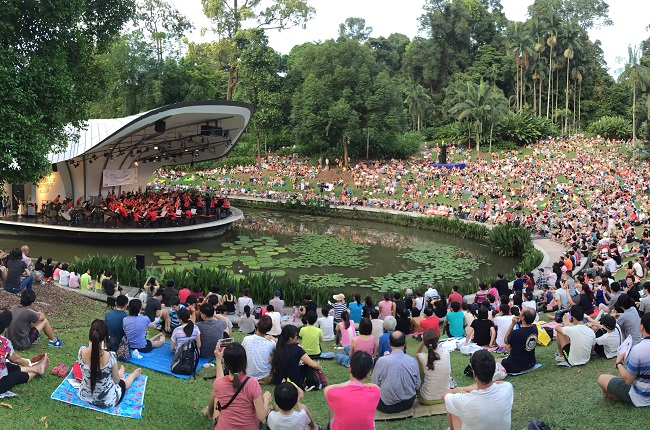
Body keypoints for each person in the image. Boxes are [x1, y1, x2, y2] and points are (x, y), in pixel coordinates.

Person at [77, 320, 142, 409]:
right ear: (105, 339)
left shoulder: (81, 351)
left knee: (114, 377)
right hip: (106, 400)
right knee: (123, 382)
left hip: (84, 396)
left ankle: (121, 372)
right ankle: (134, 375)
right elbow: (116, 381)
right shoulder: (110, 357)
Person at [443, 349, 514, 430]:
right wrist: (474, 388)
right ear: (494, 370)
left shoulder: (465, 401)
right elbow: (500, 383)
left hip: (466, 401)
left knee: (451, 407)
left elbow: (444, 396)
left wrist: (460, 390)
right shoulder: (507, 388)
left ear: (474, 374)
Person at [209, 342, 272, 430]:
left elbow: (220, 380)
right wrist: (266, 400)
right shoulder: (252, 383)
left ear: (226, 363)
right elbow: (262, 417)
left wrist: (218, 359)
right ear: (245, 362)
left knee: (217, 397)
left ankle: (209, 413)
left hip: (223, 427)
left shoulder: (218, 384)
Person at [597, 313, 650, 407]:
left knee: (602, 378)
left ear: (642, 327)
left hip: (641, 397)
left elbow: (628, 380)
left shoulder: (638, 350)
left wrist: (618, 363)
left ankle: (616, 395)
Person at [324, 351, 380, 430]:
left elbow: (327, 388)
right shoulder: (375, 392)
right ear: (368, 374)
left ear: (349, 368)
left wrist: (346, 384)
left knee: (332, 405)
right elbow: (374, 385)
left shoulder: (335, 393)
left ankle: (330, 426)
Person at [0, 309, 50, 396]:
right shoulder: (3, 343)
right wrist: (27, 362)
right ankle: (37, 370)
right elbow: (16, 359)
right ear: (5, 327)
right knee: (16, 376)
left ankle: (36, 368)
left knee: (9, 367)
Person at [372, 331, 420, 413]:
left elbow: (374, 385)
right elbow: (417, 385)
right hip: (409, 402)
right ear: (405, 344)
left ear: (389, 343)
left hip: (387, 406)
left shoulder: (381, 361)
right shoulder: (412, 361)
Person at [416, 328, 451, 405]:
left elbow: (417, 353)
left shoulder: (423, 357)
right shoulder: (446, 353)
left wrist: (423, 341)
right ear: (438, 340)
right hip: (445, 396)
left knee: (420, 363)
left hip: (427, 399)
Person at [498, 308, 538, 374]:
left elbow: (505, 340)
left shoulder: (516, 333)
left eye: (521, 312)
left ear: (523, 317)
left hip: (515, 366)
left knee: (495, 361)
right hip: (531, 363)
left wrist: (512, 324)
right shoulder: (535, 328)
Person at [241, 315, 276, 384]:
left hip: (247, 376)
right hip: (265, 377)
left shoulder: (247, 339)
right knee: (272, 358)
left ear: (257, 324)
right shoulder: (271, 344)